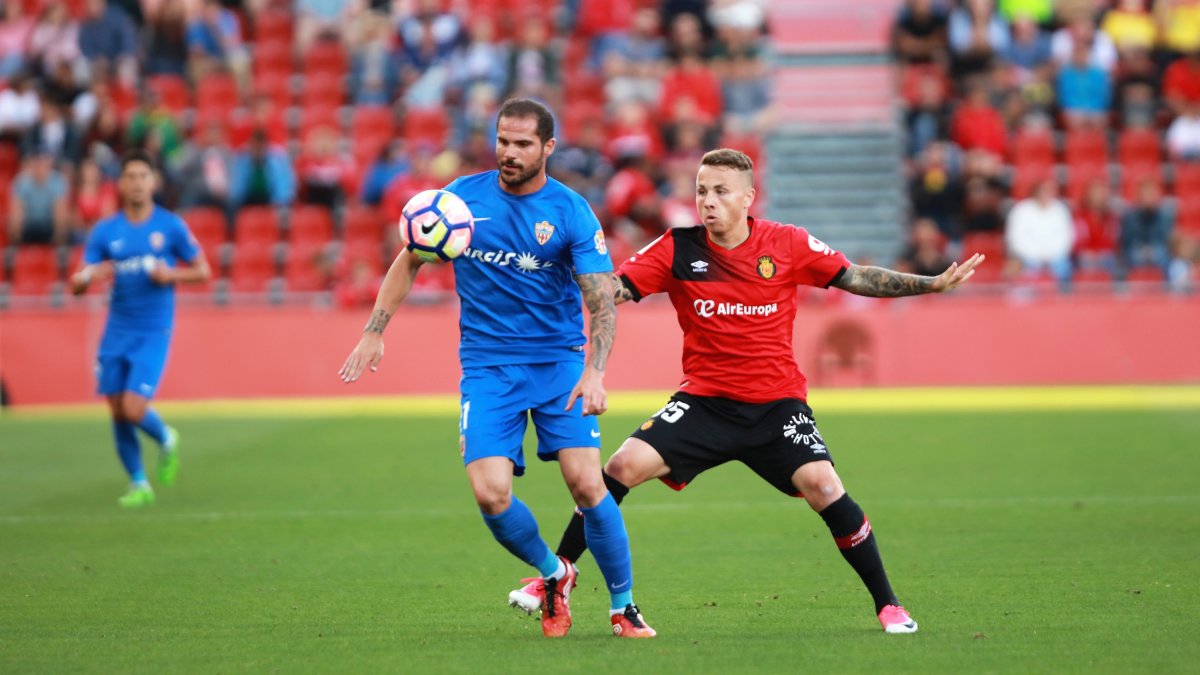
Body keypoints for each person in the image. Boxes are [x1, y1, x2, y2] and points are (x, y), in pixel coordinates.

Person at [507, 148, 984, 635]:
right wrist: (564, 275)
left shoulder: (787, 243)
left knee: (823, 486)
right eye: (700, 191)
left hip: (777, 407)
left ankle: (888, 604)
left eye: (719, 192)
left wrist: (930, 283)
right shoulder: (676, 248)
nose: (707, 202)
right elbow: (614, 290)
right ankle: (556, 577)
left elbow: (855, 277)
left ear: (748, 198)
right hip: (704, 404)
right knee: (619, 467)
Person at [338, 99, 655, 639]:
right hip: (488, 368)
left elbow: (601, 302)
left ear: (548, 148)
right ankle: (556, 573)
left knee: (586, 484)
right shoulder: (459, 200)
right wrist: (375, 330)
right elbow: (410, 257)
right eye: (503, 141)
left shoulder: (571, 211)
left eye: (523, 144)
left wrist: (594, 372)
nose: (509, 152)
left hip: (558, 364)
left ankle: (623, 607)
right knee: (490, 494)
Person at [68, 150, 212, 508]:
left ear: (154, 182)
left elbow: (203, 271)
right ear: (120, 183)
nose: (136, 183)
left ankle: (166, 438)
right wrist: (88, 276)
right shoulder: (106, 231)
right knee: (116, 409)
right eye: (129, 176)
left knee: (133, 408)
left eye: (142, 176)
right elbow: (77, 283)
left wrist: (171, 274)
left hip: (153, 329)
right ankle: (138, 483)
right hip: (117, 329)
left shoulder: (170, 226)